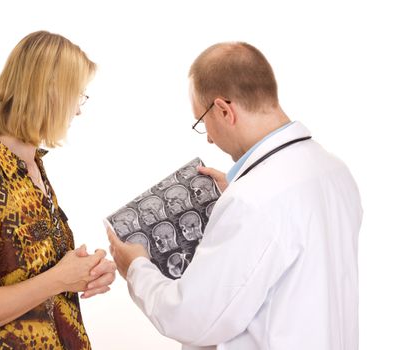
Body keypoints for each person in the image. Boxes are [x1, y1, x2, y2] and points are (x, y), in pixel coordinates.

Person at [108, 42, 362, 350]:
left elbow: (193, 319)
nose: (211, 138)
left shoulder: (252, 200)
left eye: (203, 123)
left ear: (224, 110)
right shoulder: (333, 170)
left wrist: (135, 268)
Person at [0, 31, 116, 349]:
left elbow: (32, 277)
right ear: (48, 92)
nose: (77, 111)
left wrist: (84, 272)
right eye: (77, 96)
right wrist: (59, 278)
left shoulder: (31, 166)